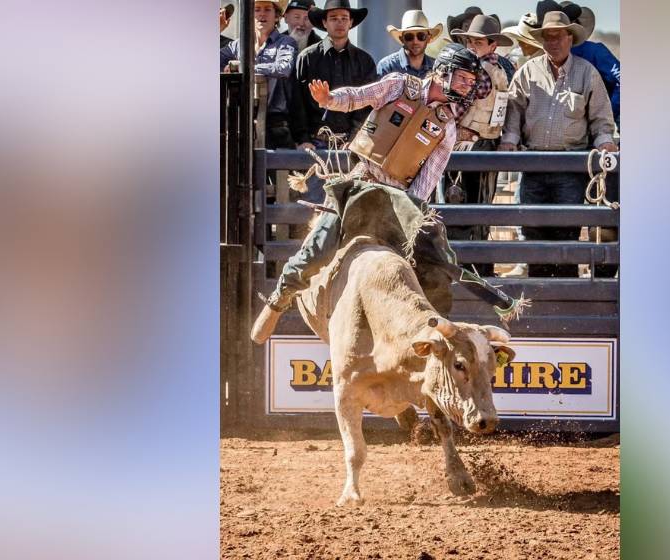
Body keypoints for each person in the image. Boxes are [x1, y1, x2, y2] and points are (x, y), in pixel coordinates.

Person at [250, 44, 522, 344]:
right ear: (443, 72)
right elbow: (359, 96)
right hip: (358, 185)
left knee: (434, 265)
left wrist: (412, 218)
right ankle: (278, 300)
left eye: (471, 82)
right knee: (318, 249)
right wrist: (330, 99)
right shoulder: (399, 85)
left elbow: (425, 184)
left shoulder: (447, 130)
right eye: (463, 79)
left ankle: (428, 334)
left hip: (396, 202)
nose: (468, 87)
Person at [499, 11, 617, 278]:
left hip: (570, 166)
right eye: (547, 36)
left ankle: (566, 298)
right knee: (532, 232)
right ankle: (540, 299)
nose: (553, 41)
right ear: (541, 40)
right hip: (533, 165)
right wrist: (509, 142)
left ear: (569, 38)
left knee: (567, 234)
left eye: (558, 36)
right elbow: (514, 112)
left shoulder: (587, 74)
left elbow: (600, 119)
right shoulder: (528, 72)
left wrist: (605, 142)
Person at [444, 15, 516, 277]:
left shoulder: (476, 73)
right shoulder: (504, 69)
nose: (472, 45)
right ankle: (481, 269)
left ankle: (463, 270)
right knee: (481, 207)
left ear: (492, 44)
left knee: (459, 206)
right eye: (470, 41)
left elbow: (460, 105)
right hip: (488, 144)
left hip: (466, 145)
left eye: (478, 41)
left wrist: (449, 124)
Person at [289, 0, 377, 152]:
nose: (339, 23)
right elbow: (297, 103)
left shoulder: (365, 61)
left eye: (344, 18)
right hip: (314, 143)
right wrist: (303, 139)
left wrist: (354, 139)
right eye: (334, 18)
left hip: (352, 145)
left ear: (351, 22)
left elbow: (369, 105)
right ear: (324, 22)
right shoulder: (308, 58)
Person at [220, 0, 298, 149]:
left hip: (275, 125)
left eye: (267, 9)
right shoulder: (237, 45)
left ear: (277, 17)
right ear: (249, 15)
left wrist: (242, 67)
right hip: (240, 124)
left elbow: (283, 67)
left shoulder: (285, 42)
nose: (262, 14)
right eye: (257, 9)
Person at [376, 10, 441, 79]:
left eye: (421, 36)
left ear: (428, 38)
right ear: (402, 39)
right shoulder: (388, 66)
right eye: (409, 37)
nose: (415, 41)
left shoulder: (437, 68)